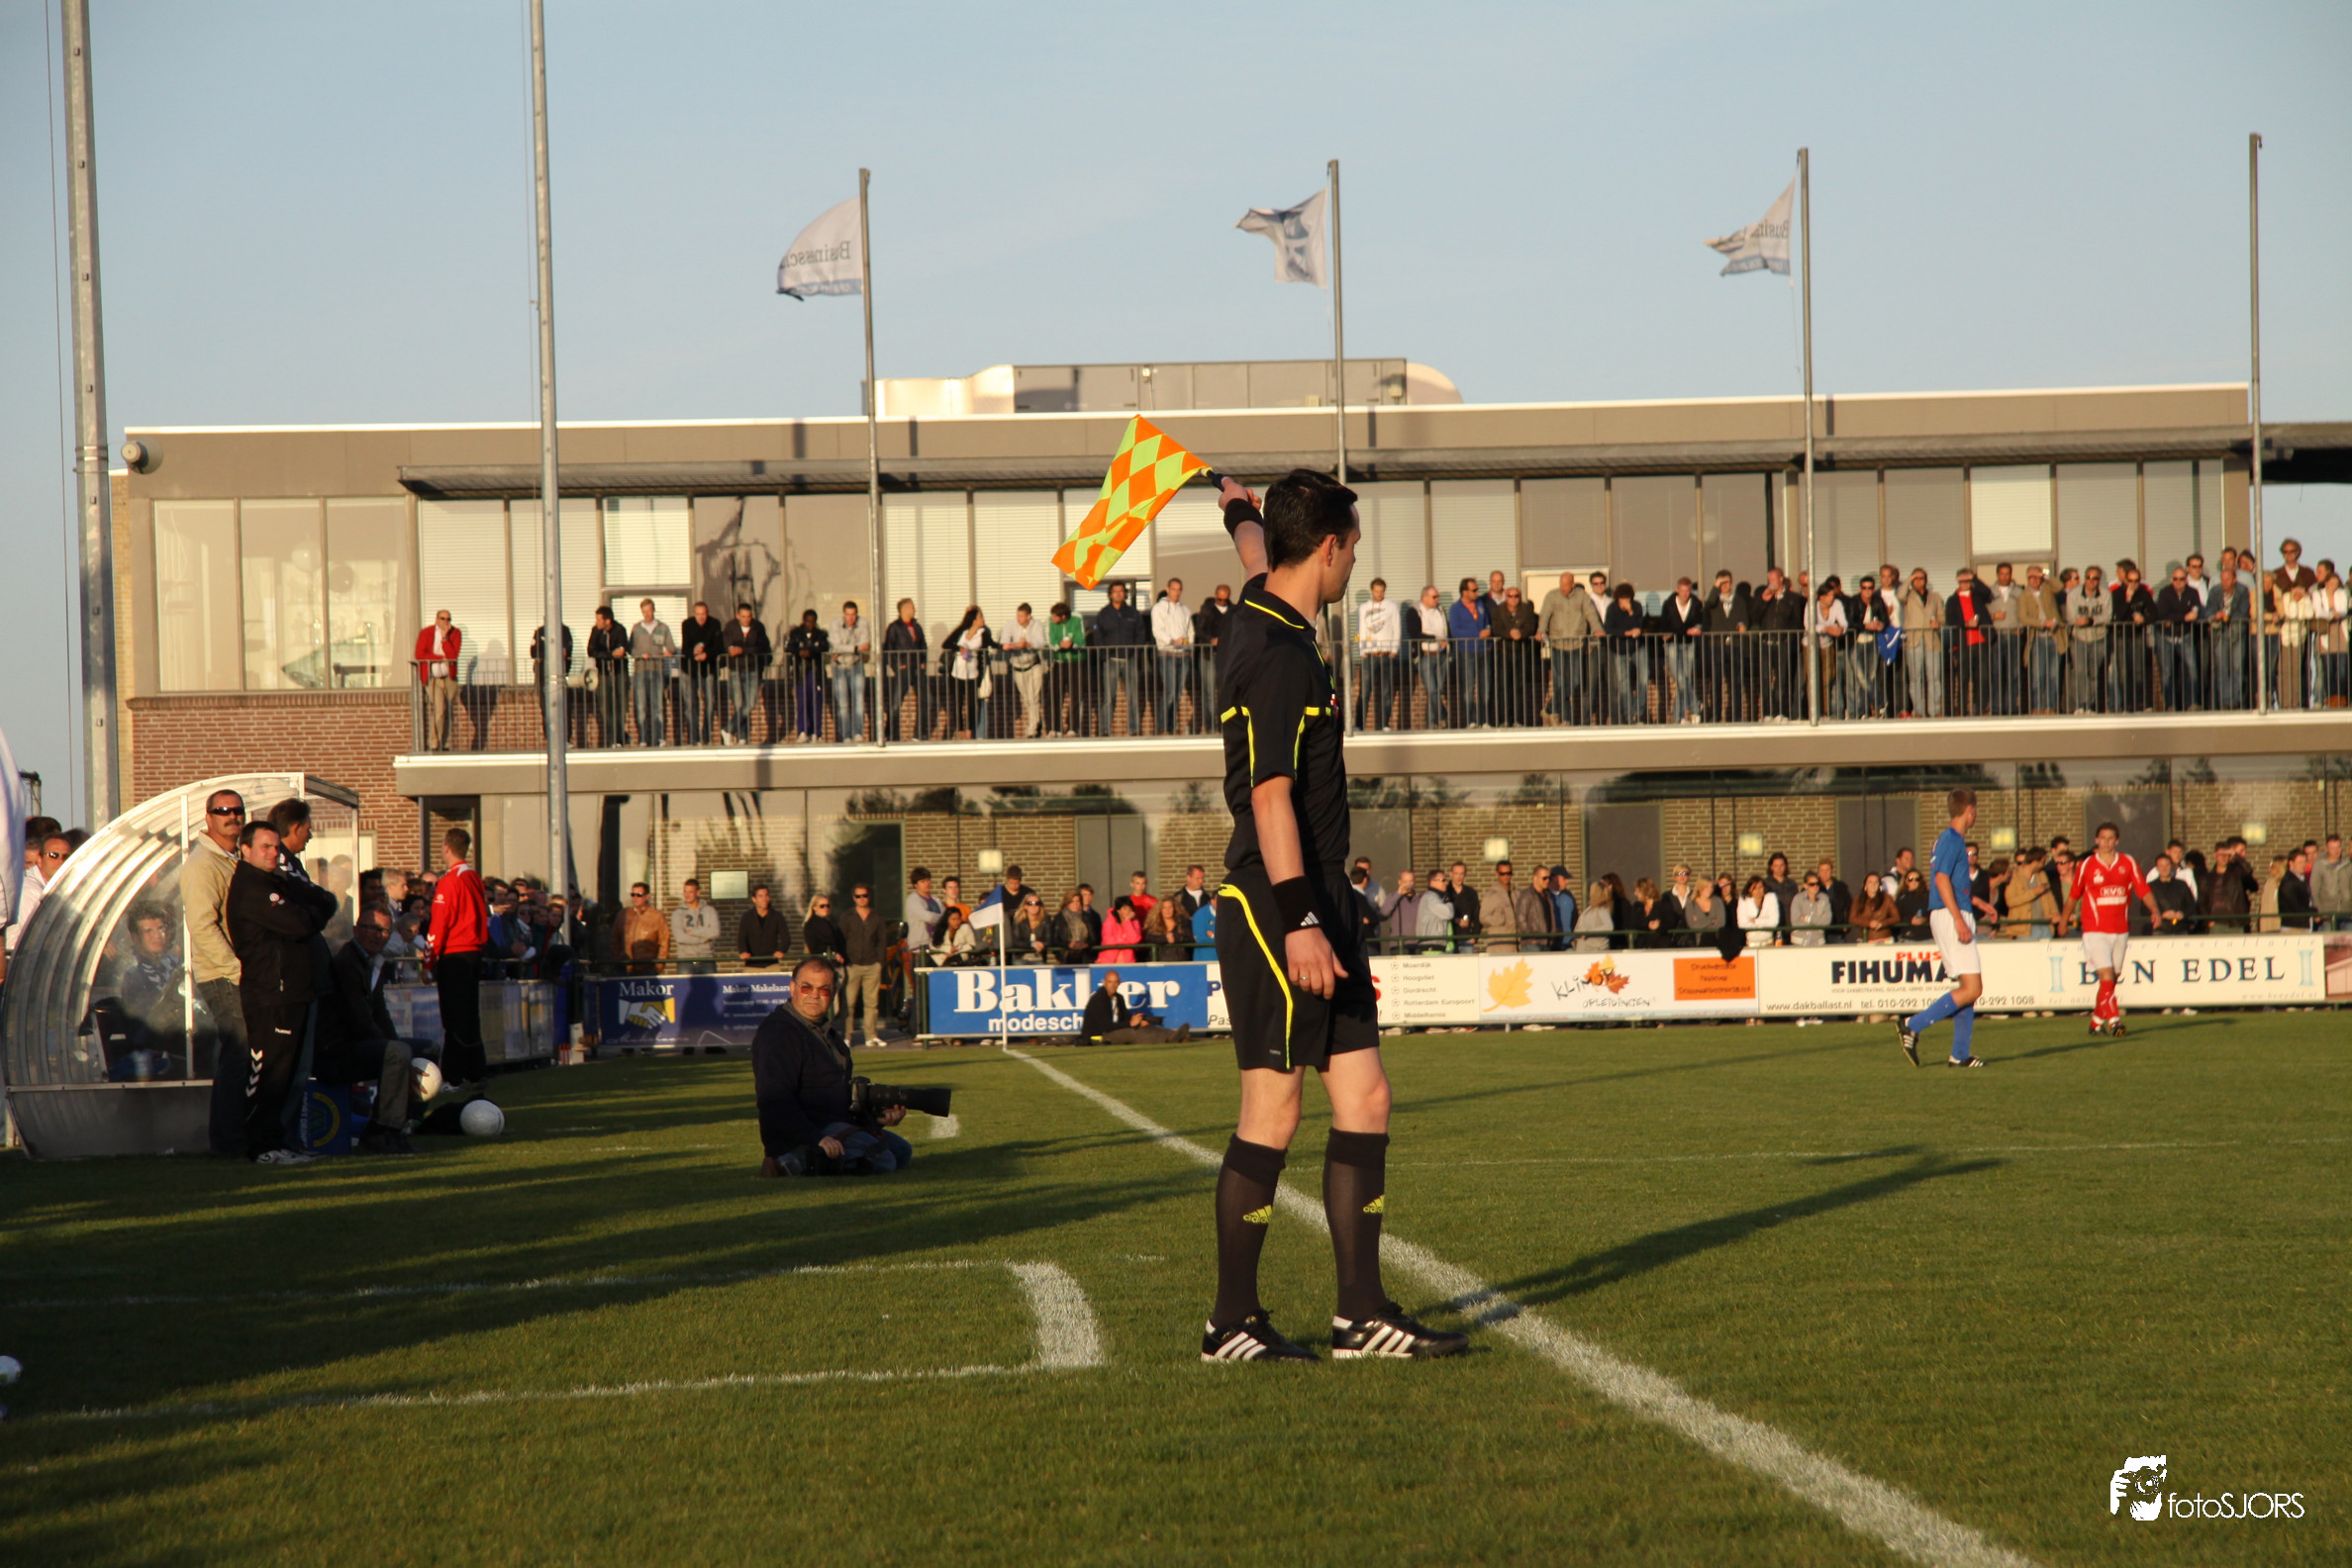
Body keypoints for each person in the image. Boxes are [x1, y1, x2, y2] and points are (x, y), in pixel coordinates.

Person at [1199, 467, 1465, 1364]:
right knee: (1273, 1109)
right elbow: (1269, 797)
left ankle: (1360, 1315)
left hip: (1322, 902)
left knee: (1366, 1097)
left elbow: (1255, 549)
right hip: (1280, 905)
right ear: (1326, 548)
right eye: (1351, 546)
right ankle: (1231, 1322)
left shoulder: (1263, 602)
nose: (1356, 561)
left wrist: (1237, 505)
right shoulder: (1275, 655)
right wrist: (1302, 922)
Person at [226, 822, 339, 1164]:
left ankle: (279, 1142)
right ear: (245, 849)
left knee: (288, 1074)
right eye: (265, 847)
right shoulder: (251, 887)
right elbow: (301, 923)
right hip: (271, 995)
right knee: (270, 1075)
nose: (273, 853)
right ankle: (260, 1147)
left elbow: (326, 901)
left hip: (293, 991)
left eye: (276, 847)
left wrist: (309, 909)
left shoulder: (277, 881)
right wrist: (309, 912)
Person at [751, 957, 911, 1177]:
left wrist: (875, 1119)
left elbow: (835, 1095)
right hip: (802, 1132)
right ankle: (788, 1161)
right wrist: (816, 1138)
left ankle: (824, 1157)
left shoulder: (826, 1031)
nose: (814, 995)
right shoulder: (779, 1032)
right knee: (882, 1159)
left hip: (833, 1122)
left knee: (901, 1152)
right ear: (793, 988)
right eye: (807, 987)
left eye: (823, 990)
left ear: (833, 993)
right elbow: (774, 1099)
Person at [179, 792, 253, 1155]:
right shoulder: (203, 864)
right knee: (238, 1054)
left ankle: (236, 1135)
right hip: (223, 975)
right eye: (223, 811)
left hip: (237, 973)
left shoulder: (235, 858)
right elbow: (202, 926)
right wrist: (236, 970)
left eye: (237, 810)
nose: (232, 816)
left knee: (243, 1055)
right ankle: (228, 1141)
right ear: (208, 818)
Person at [319, 907, 424, 1155]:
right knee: (398, 1053)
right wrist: (393, 1049)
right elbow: (359, 1020)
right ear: (356, 930)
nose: (378, 936)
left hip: (357, 1043)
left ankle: (405, 1125)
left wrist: (396, 1046)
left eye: (384, 931)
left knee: (426, 1049)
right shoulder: (347, 962)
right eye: (372, 929)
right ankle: (380, 1131)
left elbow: (381, 1015)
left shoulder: (372, 962)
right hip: (335, 1051)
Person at [1898, 790, 1989, 1068]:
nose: (1976, 815)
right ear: (1969, 810)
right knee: (1973, 988)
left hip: (1949, 913)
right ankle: (1912, 1025)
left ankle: (1959, 1054)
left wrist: (1976, 902)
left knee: (1967, 988)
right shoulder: (1953, 839)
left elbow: (1949, 882)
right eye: (1975, 810)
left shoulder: (1947, 839)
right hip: (1952, 916)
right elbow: (1940, 880)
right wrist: (1959, 919)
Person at [2066, 821, 2161, 1036]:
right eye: (2102, 838)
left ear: (2116, 841)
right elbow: (2074, 895)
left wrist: (2154, 909)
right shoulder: (2087, 865)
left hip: (2120, 929)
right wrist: (2063, 921)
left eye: (2110, 838)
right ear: (2096, 840)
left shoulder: (2127, 862)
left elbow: (2142, 888)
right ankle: (2115, 1022)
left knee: (2112, 980)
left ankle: (2096, 1023)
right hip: (2095, 929)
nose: (2106, 842)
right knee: (2107, 976)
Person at [425, 828, 492, 1087]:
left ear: (446, 848)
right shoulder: (473, 877)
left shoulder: (450, 881)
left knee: (454, 1018)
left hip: (454, 954)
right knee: (470, 1016)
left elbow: (440, 923)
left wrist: (429, 961)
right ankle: (476, 1071)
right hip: (474, 951)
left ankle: (453, 1076)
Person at [837, 884, 890, 1045]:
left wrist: (880, 962)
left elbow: (882, 941)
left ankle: (871, 1035)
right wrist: (843, 958)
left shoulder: (877, 917)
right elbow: (840, 939)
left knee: (871, 1003)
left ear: (869, 897)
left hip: (872, 964)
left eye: (865, 895)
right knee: (849, 1002)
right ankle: (847, 1036)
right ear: (854, 898)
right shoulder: (847, 916)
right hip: (852, 965)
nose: (862, 899)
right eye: (858, 896)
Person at [1079, 969, 1190, 1044]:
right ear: (1104, 983)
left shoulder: (1119, 998)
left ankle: (1173, 1035)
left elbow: (1125, 1018)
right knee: (1132, 1032)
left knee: (1143, 1027)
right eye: (1110, 982)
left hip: (1112, 1031)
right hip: (1098, 1037)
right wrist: (1130, 1024)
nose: (1113, 985)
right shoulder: (1099, 999)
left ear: (1119, 983)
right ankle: (1169, 1039)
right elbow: (1106, 1027)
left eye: (1115, 982)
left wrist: (1138, 1021)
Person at [1094, 581, 1148, 735]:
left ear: (1125, 594)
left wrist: (1135, 652)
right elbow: (1098, 636)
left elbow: (1141, 633)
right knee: (1109, 698)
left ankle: (1134, 729)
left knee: (1132, 697)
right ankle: (1105, 730)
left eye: (1121, 591)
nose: (1118, 594)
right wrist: (1105, 655)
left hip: (1129, 660)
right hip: (1111, 661)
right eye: (1115, 591)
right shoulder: (1104, 614)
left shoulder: (1133, 613)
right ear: (1110, 595)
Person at [722, 602, 773, 744]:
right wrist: (732, 649)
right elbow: (727, 645)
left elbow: (761, 647)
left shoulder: (758, 627)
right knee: (739, 704)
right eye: (743, 616)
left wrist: (743, 650)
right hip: (736, 669)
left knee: (750, 703)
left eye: (749, 616)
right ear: (738, 616)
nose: (746, 619)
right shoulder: (730, 627)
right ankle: (743, 737)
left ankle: (728, 729)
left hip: (752, 668)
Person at [629, 598, 677, 746]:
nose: (647, 614)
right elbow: (631, 649)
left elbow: (672, 647)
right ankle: (643, 738)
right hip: (641, 670)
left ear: (653, 610)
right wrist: (640, 654)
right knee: (641, 705)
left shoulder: (662, 627)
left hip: (657, 669)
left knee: (658, 705)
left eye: (649, 611)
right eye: (644, 612)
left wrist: (668, 652)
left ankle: (660, 737)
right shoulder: (637, 628)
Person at [1354, 578, 1401, 731]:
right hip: (1369, 654)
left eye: (1381, 591)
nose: (1379, 594)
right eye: (1376, 591)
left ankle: (1384, 724)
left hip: (1386, 654)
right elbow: (1360, 630)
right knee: (1365, 690)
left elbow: (1396, 628)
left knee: (1386, 691)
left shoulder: (1391, 607)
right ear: (1371, 591)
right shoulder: (1363, 608)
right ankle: (1359, 724)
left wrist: (1394, 650)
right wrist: (1362, 650)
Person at [1447, 576, 1494, 728]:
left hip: (1483, 650)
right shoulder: (1456, 608)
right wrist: (1477, 634)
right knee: (1468, 688)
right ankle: (1471, 720)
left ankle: (1484, 720)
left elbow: (1487, 623)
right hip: (1466, 651)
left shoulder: (1480, 604)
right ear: (1464, 591)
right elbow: (1455, 631)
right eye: (1473, 590)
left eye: (1477, 590)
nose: (1476, 592)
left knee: (1485, 687)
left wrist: (1488, 636)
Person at [882, 598, 931, 740]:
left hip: (917, 668)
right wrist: (897, 665)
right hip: (903, 668)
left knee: (926, 699)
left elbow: (923, 645)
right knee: (896, 702)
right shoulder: (894, 627)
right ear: (904, 610)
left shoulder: (917, 626)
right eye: (912, 607)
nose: (914, 610)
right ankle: (891, 733)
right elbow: (889, 648)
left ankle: (920, 733)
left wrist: (923, 662)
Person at [944, 606, 996, 738]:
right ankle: (960, 731)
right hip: (957, 673)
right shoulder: (962, 631)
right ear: (973, 620)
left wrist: (1006, 646)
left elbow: (992, 644)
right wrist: (959, 648)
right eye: (980, 617)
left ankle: (970, 731)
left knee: (972, 705)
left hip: (973, 674)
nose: (983, 619)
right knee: (957, 704)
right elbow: (946, 644)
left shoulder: (983, 633)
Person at [415, 609, 462, 751]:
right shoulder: (426, 632)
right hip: (433, 678)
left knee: (447, 711)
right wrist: (440, 658)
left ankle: (446, 743)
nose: (445, 622)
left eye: (448, 619)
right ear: (437, 620)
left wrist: (445, 639)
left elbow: (453, 655)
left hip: (449, 678)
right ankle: (434, 743)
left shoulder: (455, 633)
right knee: (439, 709)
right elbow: (419, 654)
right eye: (443, 618)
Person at [1152, 577, 1195, 734]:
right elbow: (1157, 630)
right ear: (1168, 589)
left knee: (1178, 692)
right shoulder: (1159, 608)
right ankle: (1163, 726)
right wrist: (1171, 641)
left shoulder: (1185, 609)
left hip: (1183, 655)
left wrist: (1189, 646)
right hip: (1167, 653)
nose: (1176, 592)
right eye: (1173, 589)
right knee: (1169, 691)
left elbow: (1190, 631)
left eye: (1179, 590)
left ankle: (1171, 725)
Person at [1004, 603, 1050, 738]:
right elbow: (1004, 644)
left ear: (1029, 616)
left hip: (1034, 665)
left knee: (1033, 697)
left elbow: (1041, 643)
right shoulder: (1010, 624)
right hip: (1018, 667)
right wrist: (1015, 645)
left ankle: (1032, 728)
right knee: (1026, 698)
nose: (1019, 619)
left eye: (1022, 616)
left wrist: (1028, 644)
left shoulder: (1037, 624)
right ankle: (1037, 722)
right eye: (1018, 616)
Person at [1603, 583, 1646, 725]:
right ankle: (1628, 715)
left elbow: (1638, 626)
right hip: (1619, 650)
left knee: (1644, 677)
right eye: (1623, 598)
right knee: (1623, 683)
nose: (1626, 601)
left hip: (1636, 648)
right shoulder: (1612, 608)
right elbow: (1609, 628)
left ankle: (1638, 712)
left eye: (1628, 598)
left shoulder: (1637, 606)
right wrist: (1625, 633)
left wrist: (1631, 612)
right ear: (1618, 598)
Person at [1042, 602, 1088, 736]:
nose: (1053, 619)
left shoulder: (1077, 618)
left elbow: (1081, 639)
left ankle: (1073, 727)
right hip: (1059, 662)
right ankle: (1053, 728)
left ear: (1063, 617)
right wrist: (1059, 645)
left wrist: (1072, 644)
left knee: (1076, 695)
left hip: (1076, 661)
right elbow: (1050, 640)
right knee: (1054, 695)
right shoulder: (1049, 621)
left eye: (1055, 616)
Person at [529, 620, 577, 747]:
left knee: (564, 707)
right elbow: (534, 652)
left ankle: (565, 738)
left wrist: (555, 655)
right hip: (543, 677)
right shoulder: (540, 632)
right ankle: (550, 738)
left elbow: (566, 652)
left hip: (560, 677)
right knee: (546, 708)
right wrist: (552, 654)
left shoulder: (564, 631)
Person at [829, 600, 870, 742]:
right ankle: (846, 735)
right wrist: (855, 648)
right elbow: (836, 645)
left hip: (856, 664)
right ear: (843, 614)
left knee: (859, 700)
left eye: (853, 615)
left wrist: (844, 649)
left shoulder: (863, 623)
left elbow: (866, 644)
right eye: (848, 615)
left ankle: (858, 732)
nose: (851, 618)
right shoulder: (835, 624)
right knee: (843, 703)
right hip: (840, 665)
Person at [586, 605, 629, 746]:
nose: (597, 622)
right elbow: (591, 651)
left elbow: (621, 651)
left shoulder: (620, 630)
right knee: (605, 707)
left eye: (599, 620)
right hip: (603, 673)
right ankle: (615, 736)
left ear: (608, 621)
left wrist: (610, 654)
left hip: (619, 672)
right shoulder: (596, 631)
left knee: (621, 706)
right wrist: (609, 655)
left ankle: (619, 738)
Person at [784, 609, 829, 741]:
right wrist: (800, 652)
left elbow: (824, 647)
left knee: (816, 702)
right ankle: (803, 730)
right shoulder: (796, 633)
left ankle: (816, 732)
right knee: (802, 701)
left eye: (813, 622)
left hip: (815, 671)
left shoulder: (820, 634)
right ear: (804, 621)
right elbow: (789, 647)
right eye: (808, 622)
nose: (810, 625)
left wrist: (811, 652)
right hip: (801, 672)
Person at [616, 882, 669, 970]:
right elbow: (615, 939)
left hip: (648, 966)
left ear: (647, 896)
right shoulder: (624, 914)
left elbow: (664, 941)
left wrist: (659, 965)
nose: (635, 898)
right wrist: (616, 960)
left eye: (639, 895)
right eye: (633, 895)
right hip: (625, 967)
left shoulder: (656, 916)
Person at [670, 878, 719, 974]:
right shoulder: (678, 913)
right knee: (685, 984)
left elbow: (715, 932)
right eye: (685, 892)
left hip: (706, 958)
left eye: (690, 892)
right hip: (685, 959)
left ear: (698, 893)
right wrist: (703, 939)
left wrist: (693, 932)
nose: (687, 895)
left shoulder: (710, 911)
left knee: (710, 984)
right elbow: (680, 937)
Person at [738, 884, 791, 966]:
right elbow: (741, 938)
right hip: (752, 964)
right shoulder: (747, 917)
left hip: (772, 963)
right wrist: (743, 951)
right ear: (754, 899)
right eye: (760, 896)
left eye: (766, 895)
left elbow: (786, 937)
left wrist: (781, 950)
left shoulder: (777, 916)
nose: (764, 899)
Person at [797, 891, 843, 968]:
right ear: (814, 907)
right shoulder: (812, 924)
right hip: (822, 963)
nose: (826, 908)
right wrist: (834, 954)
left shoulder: (829, 922)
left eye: (828, 906)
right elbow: (815, 947)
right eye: (822, 906)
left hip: (833, 962)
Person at [902, 867, 944, 950]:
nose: (927, 883)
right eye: (923, 881)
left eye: (928, 880)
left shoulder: (937, 900)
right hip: (920, 945)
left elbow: (946, 917)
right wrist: (942, 919)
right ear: (915, 884)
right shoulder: (913, 900)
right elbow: (928, 917)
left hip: (937, 944)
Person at [1852, 873, 1901, 942]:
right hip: (1865, 939)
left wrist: (1882, 923)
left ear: (1879, 885)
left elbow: (1896, 917)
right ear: (1865, 885)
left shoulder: (1887, 899)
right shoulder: (1858, 900)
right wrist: (1869, 923)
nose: (1873, 885)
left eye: (1876, 882)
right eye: (1870, 882)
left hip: (1884, 938)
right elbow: (1852, 918)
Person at [1789, 872, 1830, 946]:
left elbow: (1827, 921)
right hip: (1799, 942)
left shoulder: (1824, 898)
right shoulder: (1797, 899)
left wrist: (1807, 919)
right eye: (1812, 884)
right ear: (1805, 885)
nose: (1815, 886)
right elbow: (1795, 922)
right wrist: (1819, 921)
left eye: (1817, 884)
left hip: (1818, 942)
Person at [1736, 875, 1779, 947]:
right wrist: (1765, 922)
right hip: (1751, 944)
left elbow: (1774, 922)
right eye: (1755, 888)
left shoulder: (1771, 897)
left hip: (1769, 942)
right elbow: (1742, 924)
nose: (1758, 891)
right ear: (1749, 889)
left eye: (1760, 887)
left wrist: (1756, 921)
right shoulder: (1744, 900)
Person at [1098, 898, 1142, 965]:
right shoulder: (1109, 921)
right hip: (1108, 962)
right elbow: (1108, 940)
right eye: (1125, 908)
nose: (1128, 911)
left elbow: (1134, 940)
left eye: (1130, 908)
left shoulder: (1135, 922)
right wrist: (1126, 941)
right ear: (1118, 911)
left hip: (1128, 962)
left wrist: (1127, 921)